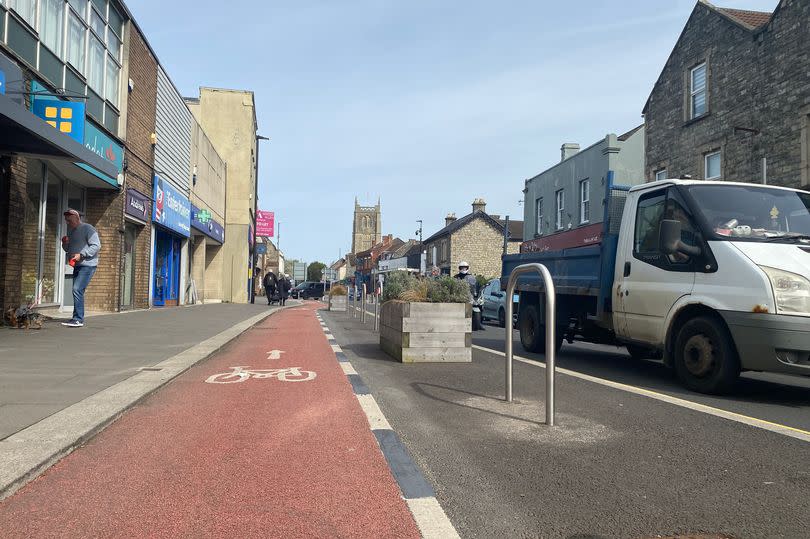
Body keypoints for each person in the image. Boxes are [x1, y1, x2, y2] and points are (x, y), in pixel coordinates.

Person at [61, 209, 101, 327]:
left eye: (69, 220)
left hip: (88, 265)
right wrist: (64, 243)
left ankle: (78, 319)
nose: (67, 222)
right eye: (66, 220)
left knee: (76, 289)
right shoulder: (71, 231)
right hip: (77, 266)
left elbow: (96, 246)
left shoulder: (88, 228)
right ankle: (76, 317)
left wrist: (82, 255)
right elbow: (68, 250)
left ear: (77, 218)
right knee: (78, 291)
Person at [455, 261, 483, 331]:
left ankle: (479, 324)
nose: (464, 269)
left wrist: (478, 290)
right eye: (462, 268)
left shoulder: (472, 277)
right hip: (459, 296)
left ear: (467, 268)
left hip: (470, 296)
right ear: (459, 268)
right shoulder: (456, 277)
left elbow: (476, 285)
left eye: (465, 268)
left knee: (479, 305)